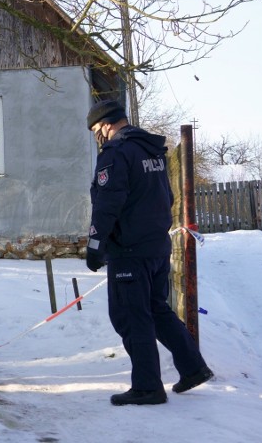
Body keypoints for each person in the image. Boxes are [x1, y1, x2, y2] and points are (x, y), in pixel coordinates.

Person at [85, 99, 214, 406]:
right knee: (156, 310)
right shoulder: (151, 151)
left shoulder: (117, 153)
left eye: (95, 130)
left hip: (129, 252)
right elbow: (166, 196)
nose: (97, 136)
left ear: (106, 124)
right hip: (156, 247)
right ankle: (194, 368)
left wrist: (95, 245)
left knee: (132, 316)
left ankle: (147, 387)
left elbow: (107, 204)